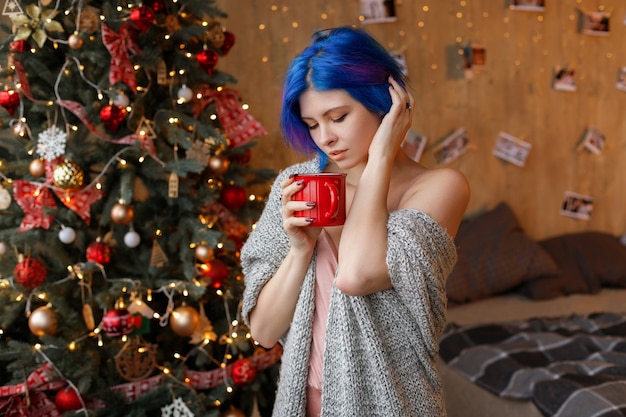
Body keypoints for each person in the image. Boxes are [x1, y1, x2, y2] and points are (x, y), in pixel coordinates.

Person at [240, 26, 470, 417]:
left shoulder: (440, 187)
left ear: (383, 101)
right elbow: (262, 332)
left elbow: (358, 275)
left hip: (392, 403)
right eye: (312, 124)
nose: (325, 138)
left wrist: (380, 156)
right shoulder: (298, 186)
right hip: (303, 401)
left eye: (338, 117)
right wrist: (300, 251)